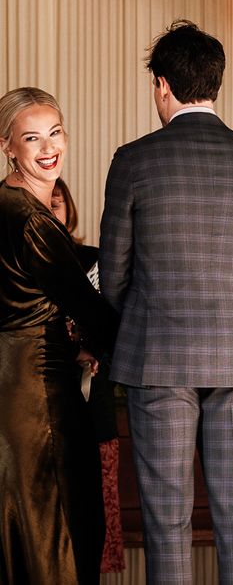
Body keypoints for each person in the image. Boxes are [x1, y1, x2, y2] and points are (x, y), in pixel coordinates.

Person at [99, 20, 233, 585]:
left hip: (159, 357)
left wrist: (151, 317)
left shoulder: (133, 160)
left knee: (166, 517)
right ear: (214, 83)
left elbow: (113, 276)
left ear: (161, 85)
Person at [0, 87, 119, 584]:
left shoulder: (4, 205)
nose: (49, 147)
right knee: (60, 537)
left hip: (10, 394)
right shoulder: (32, 221)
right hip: (41, 395)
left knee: (24, 534)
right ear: (9, 146)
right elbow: (95, 315)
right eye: (32, 138)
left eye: (56, 132)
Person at [52, 177, 126, 574]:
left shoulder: (93, 260)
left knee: (92, 515)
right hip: (38, 403)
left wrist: (93, 349)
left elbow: (114, 320)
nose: (50, 209)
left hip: (92, 403)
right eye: (42, 202)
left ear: (69, 208)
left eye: (57, 202)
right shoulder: (12, 261)